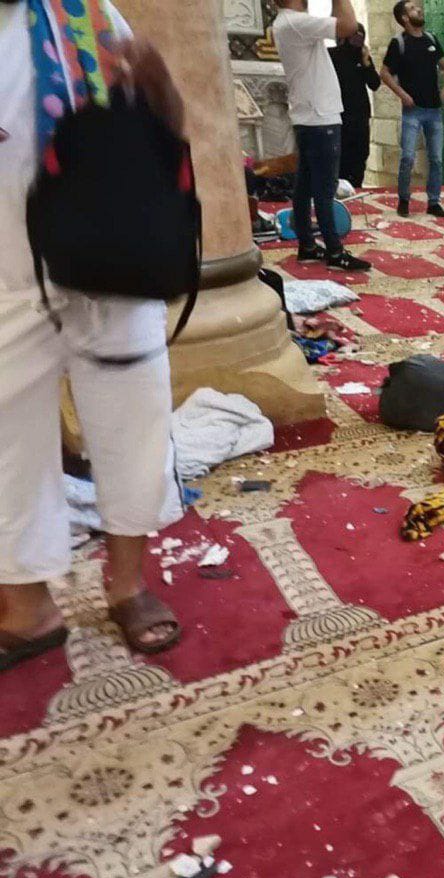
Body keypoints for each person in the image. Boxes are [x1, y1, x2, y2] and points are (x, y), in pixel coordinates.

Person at [1, 0, 187, 668]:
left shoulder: (78, 12)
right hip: (6, 280)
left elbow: (166, 123)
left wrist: (157, 81)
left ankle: (128, 584)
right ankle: (28, 607)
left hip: (112, 266)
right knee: (6, 447)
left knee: (133, 426)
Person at [273, 0, 370, 271]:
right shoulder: (296, 22)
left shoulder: (286, 22)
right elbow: (349, 26)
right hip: (319, 117)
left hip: (309, 115)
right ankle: (335, 252)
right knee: (324, 189)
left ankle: (307, 245)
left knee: (305, 186)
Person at [381, 0, 444, 218]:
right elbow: (384, 73)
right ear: (404, 18)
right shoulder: (399, 43)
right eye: (412, 8)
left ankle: (434, 201)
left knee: (436, 159)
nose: (419, 9)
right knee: (408, 157)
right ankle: (404, 200)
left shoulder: (431, 39)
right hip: (413, 111)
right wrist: (402, 94)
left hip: (434, 110)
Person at [329, 25, 381, 190]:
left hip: (360, 115)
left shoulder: (362, 56)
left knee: (360, 154)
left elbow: (375, 84)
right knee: (342, 156)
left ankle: (356, 187)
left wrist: (366, 63)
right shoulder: (331, 55)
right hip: (339, 115)